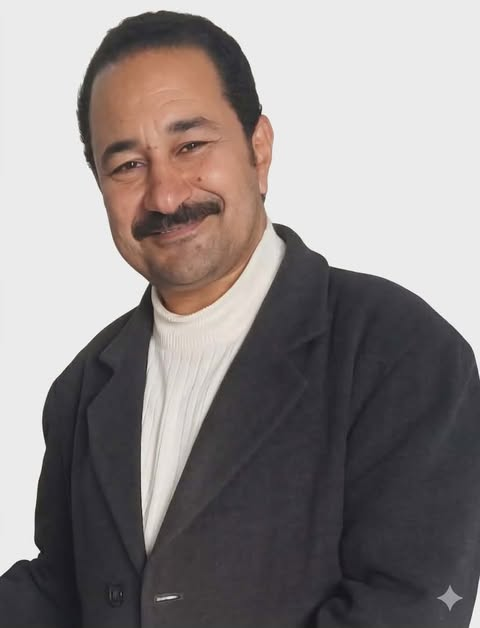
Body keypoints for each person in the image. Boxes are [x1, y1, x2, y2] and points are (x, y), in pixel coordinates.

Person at [1, 10, 479, 628]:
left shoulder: (400, 351)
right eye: (127, 166)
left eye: (190, 146)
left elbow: (410, 605)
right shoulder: (82, 388)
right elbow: (60, 591)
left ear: (259, 147)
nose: (165, 195)